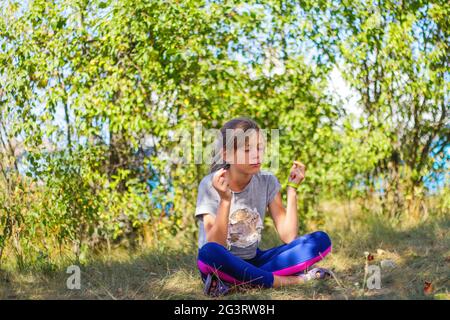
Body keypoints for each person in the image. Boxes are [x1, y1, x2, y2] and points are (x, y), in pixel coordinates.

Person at [195, 117, 332, 296]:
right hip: (220, 264)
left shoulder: (267, 181)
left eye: (259, 148)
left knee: (320, 240)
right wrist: (225, 201)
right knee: (209, 252)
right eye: (247, 150)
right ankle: (297, 279)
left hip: (255, 261)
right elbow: (215, 245)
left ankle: (238, 284)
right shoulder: (210, 185)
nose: (256, 155)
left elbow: (288, 236)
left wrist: (292, 189)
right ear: (226, 154)